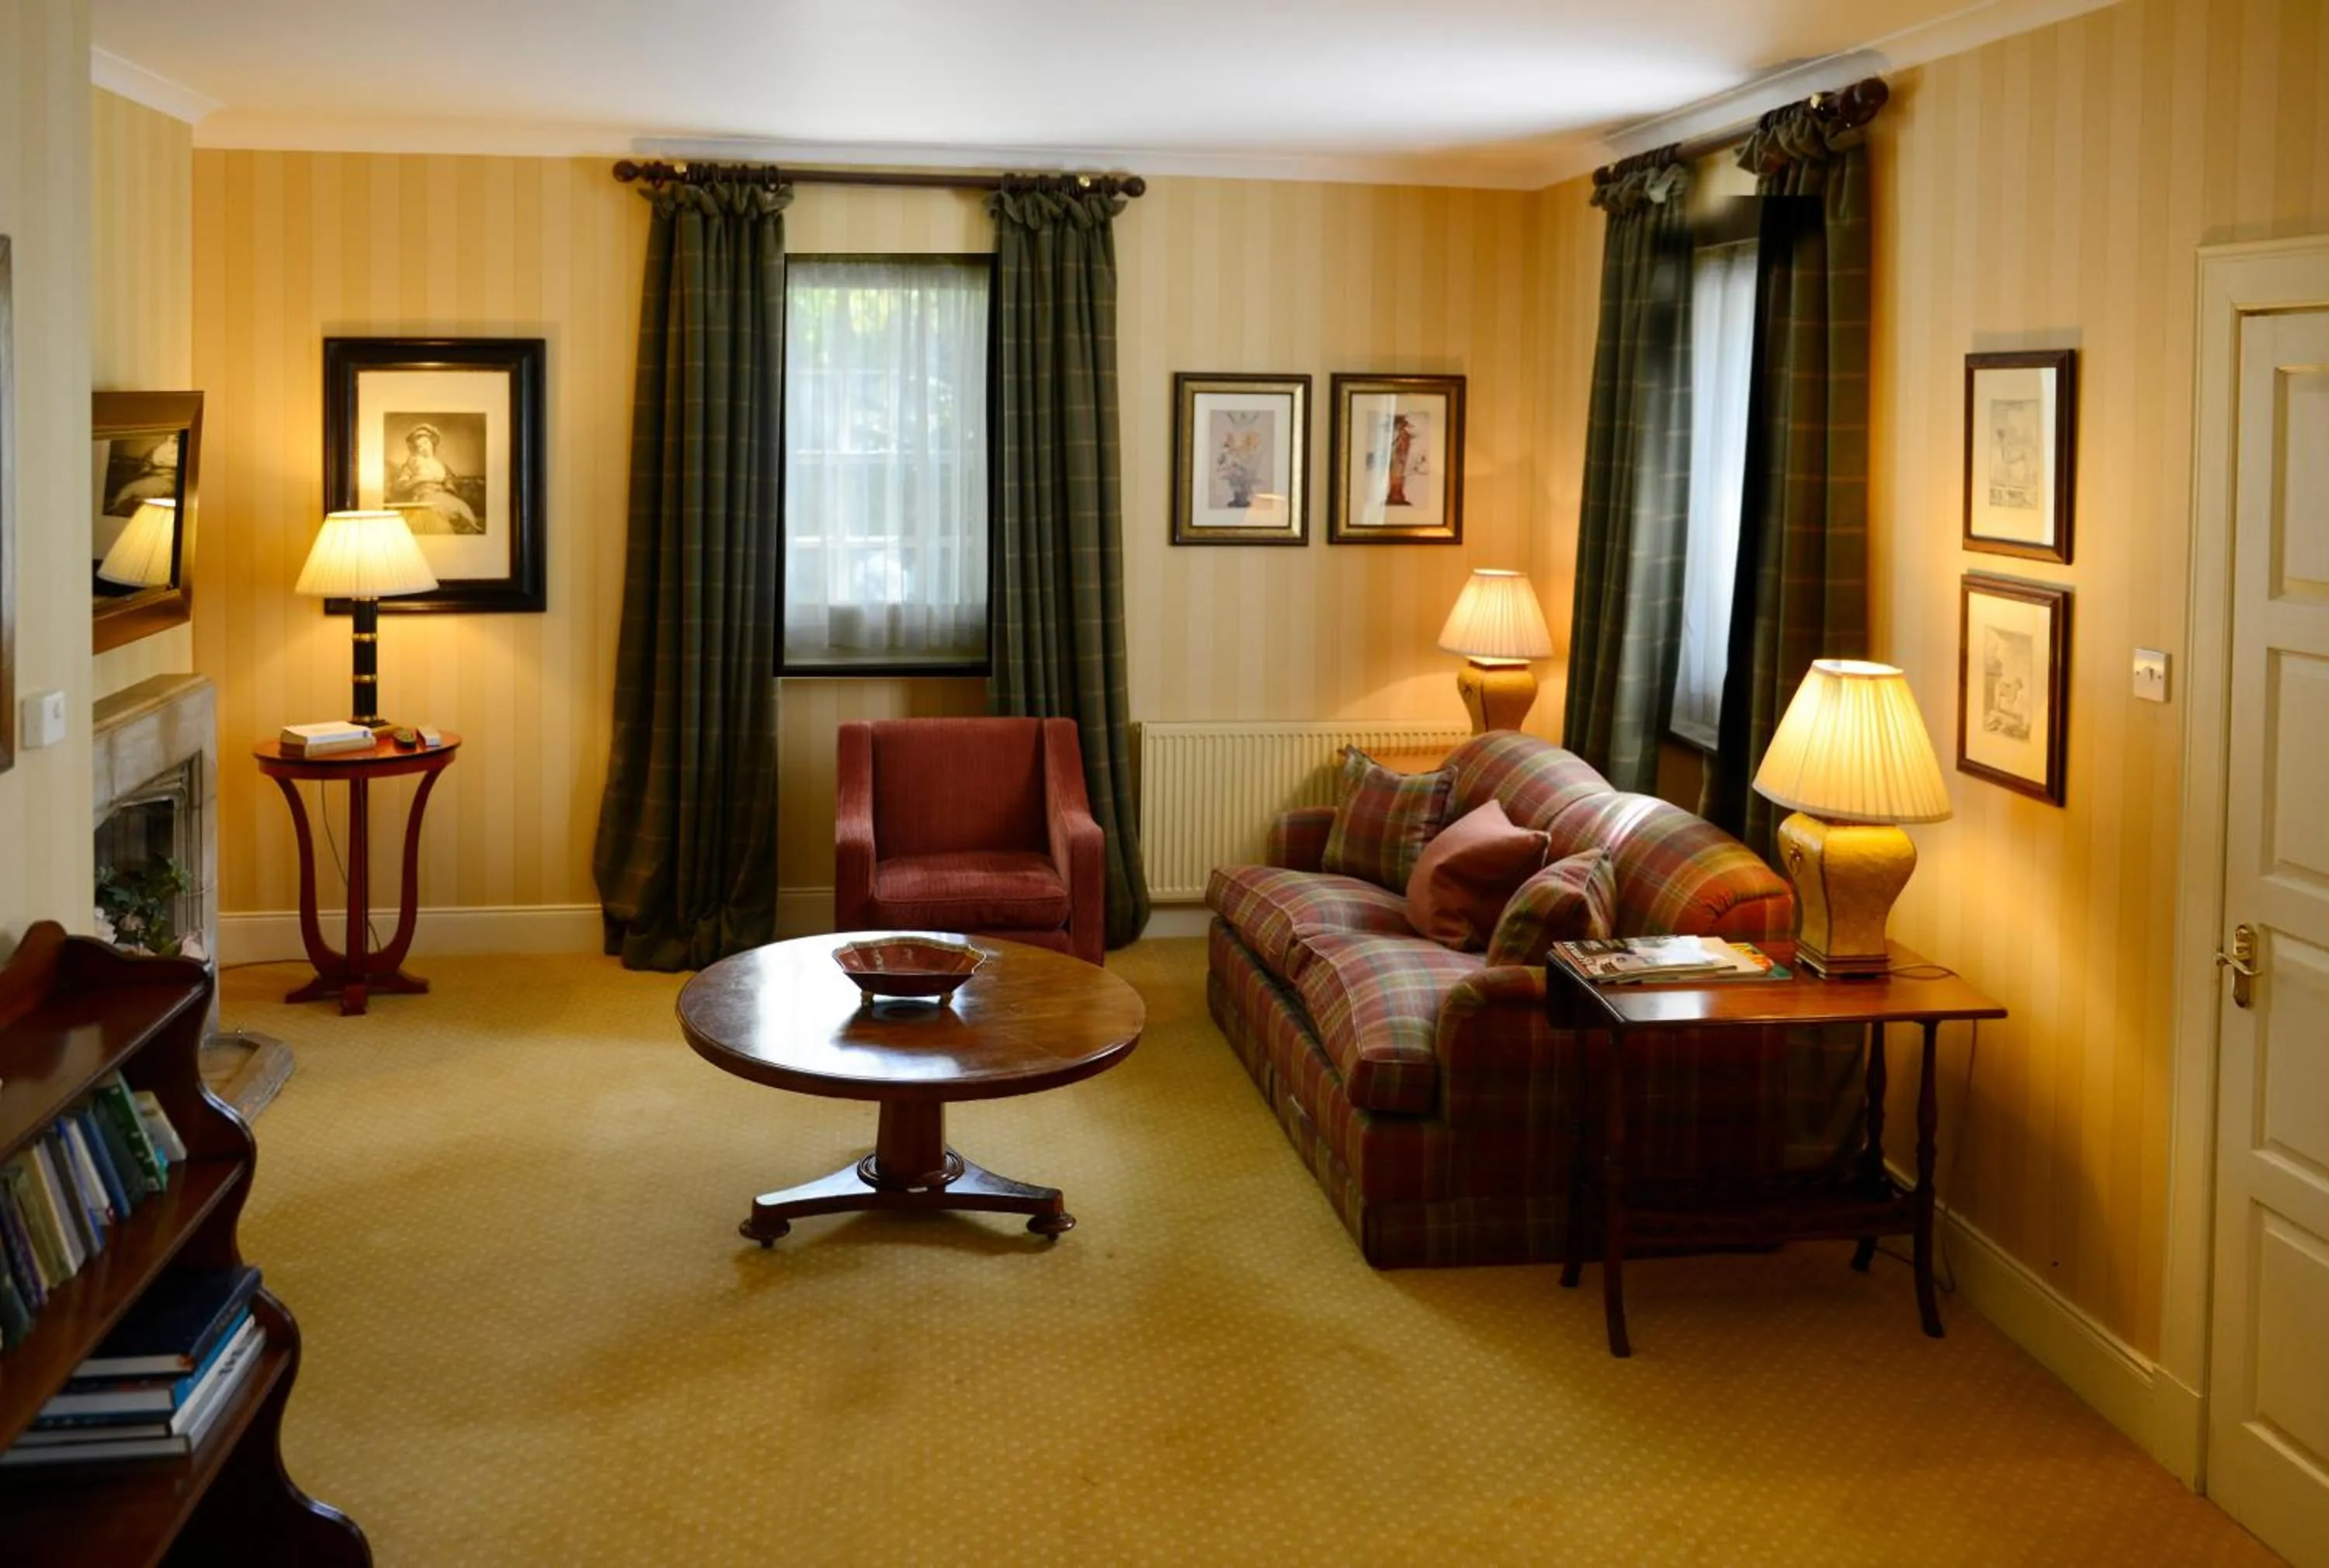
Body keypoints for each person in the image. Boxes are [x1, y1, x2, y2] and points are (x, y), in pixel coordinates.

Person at [387, 421, 481, 534]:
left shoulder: (441, 464)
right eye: (419, 446)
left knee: (461, 506)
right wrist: (420, 479)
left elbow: (451, 482)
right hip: (424, 497)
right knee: (442, 507)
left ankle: (471, 529)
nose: (423, 448)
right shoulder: (412, 463)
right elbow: (399, 486)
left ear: (433, 443)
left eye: (425, 443)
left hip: (443, 495)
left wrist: (448, 483)